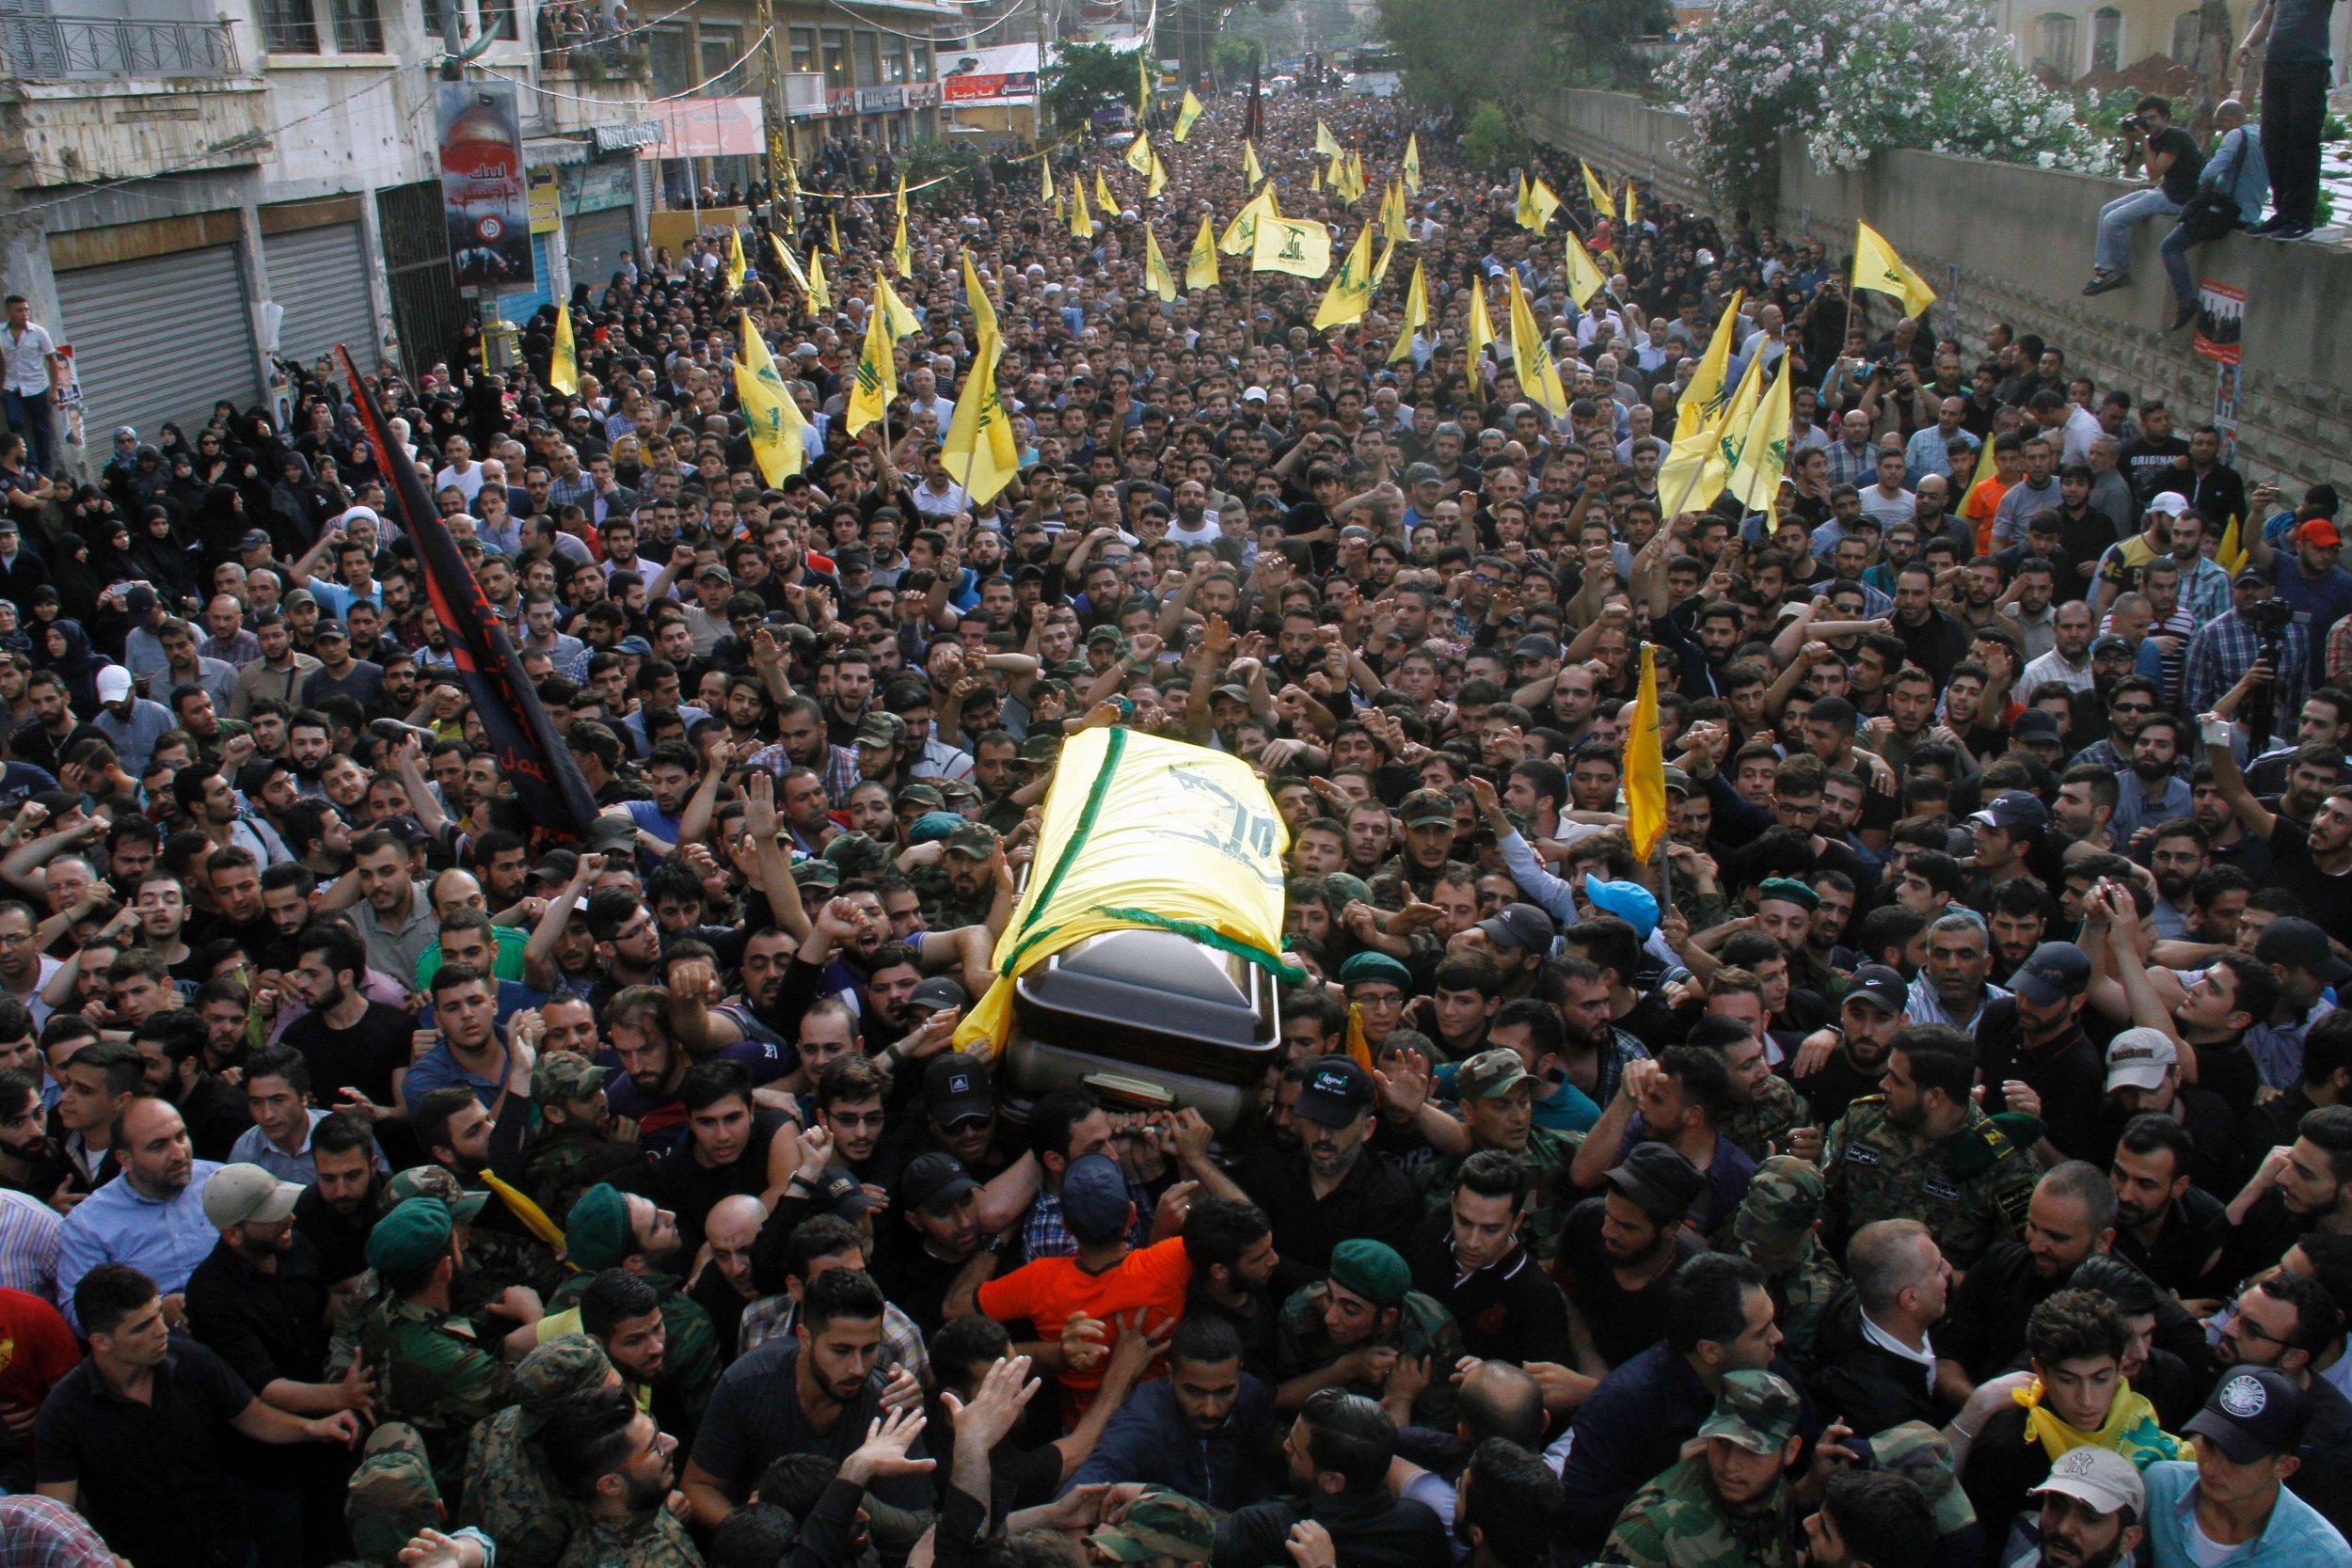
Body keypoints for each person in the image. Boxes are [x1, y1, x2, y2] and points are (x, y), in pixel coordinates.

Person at [2139, 1367, 2352, 1562]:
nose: (2211, 1468)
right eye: (2209, 1444)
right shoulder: (2160, 1487)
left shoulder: (2323, 1558)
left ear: (2285, 1466)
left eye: (2237, 1456)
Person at [2081, 97, 2202, 297]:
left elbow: (2153, 173)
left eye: (2153, 118)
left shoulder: (2176, 137)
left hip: (2181, 200)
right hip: (2164, 192)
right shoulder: (2154, 139)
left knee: (2114, 221)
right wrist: (2130, 141)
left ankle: (2120, 271)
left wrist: (2144, 141)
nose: (2149, 122)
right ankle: (2103, 270)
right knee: (2106, 211)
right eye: (2144, 118)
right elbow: (2130, 169)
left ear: (2165, 117)